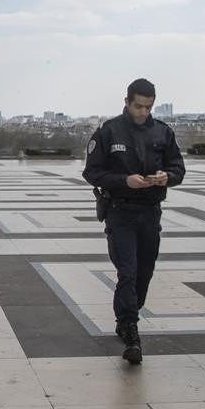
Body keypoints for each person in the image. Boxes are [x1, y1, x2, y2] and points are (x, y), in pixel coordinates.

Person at [83, 78, 185, 364]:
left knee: (144, 271)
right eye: (138, 106)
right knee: (127, 272)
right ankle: (130, 327)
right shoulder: (109, 131)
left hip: (150, 211)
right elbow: (92, 172)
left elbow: (178, 167)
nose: (143, 112)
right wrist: (124, 181)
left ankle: (128, 313)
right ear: (126, 102)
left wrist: (168, 177)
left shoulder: (163, 132)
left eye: (148, 107)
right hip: (120, 210)